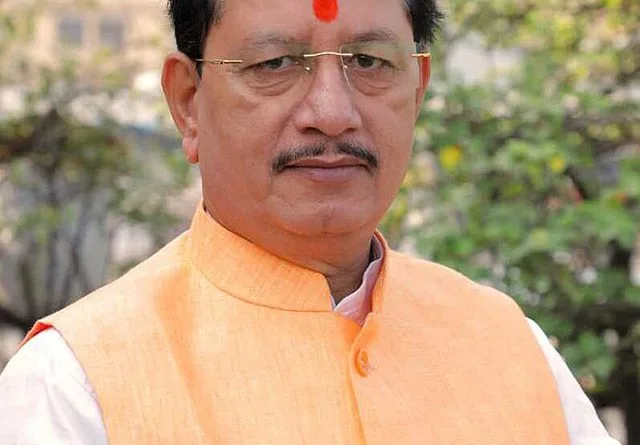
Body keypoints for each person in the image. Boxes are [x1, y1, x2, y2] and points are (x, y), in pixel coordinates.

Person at [0, 0, 621, 443]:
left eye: (370, 61)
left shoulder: (512, 348)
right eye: (275, 64)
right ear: (187, 102)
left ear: (418, 91)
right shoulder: (74, 384)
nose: (331, 111)